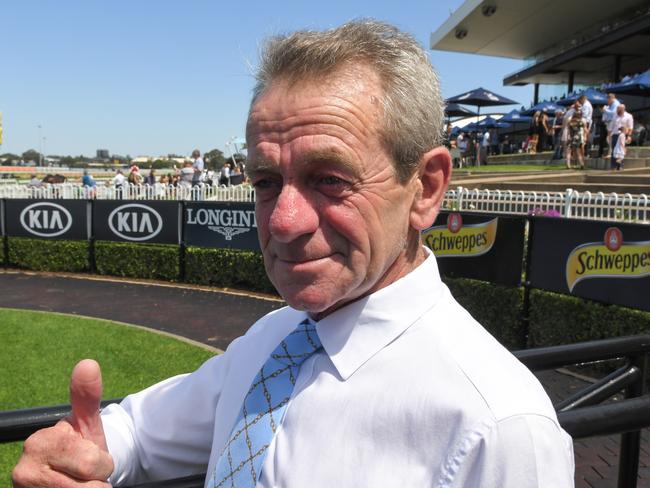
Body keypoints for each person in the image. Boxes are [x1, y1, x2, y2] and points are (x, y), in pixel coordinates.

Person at [13, 20, 574, 488]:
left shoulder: (497, 426)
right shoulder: (277, 341)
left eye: (329, 179)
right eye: (264, 180)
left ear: (425, 189)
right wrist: (80, 454)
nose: (282, 221)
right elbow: (139, 430)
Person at [610, 104, 634, 171]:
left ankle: (620, 166)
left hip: (623, 135)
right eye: (617, 109)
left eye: (619, 109)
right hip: (615, 134)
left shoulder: (628, 116)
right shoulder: (615, 115)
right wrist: (609, 135)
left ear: (623, 109)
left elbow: (630, 127)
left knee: (621, 151)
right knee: (614, 151)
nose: (617, 110)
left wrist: (629, 136)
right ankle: (613, 166)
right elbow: (611, 126)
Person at [601, 93, 621, 158]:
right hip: (610, 123)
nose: (607, 101)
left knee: (610, 138)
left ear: (611, 98)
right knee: (609, 138)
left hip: (613, 123)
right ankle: (610, 152)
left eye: (608, 99)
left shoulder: (616, 103)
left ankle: (611, 153)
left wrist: (605, 110)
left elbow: (613, 113)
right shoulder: (612, 104)